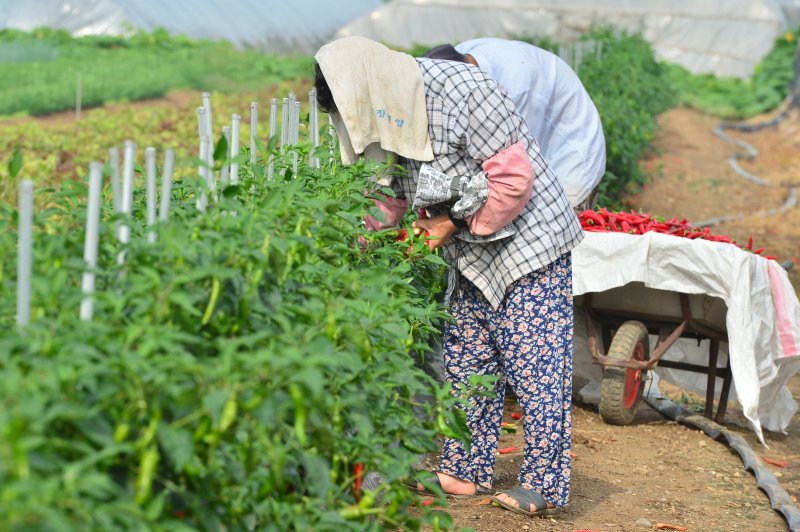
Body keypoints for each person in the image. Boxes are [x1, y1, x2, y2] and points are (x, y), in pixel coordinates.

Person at [314, 36, 582, 517]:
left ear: (368, 85)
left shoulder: (463, 90)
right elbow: (393, 194)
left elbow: (513, 180)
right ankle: (464, 471)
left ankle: (544, 483)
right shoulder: (387, 115)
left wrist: (447, 222)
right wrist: (356, 242)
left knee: (534, 362)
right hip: (468, 252)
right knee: (468, 358)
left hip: (527, 240)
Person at [424, 38, 606, 211]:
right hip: (538, 124)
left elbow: (514, 169)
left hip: (569, 152)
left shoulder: (515, 90)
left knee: (556, 229)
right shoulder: (456, 61)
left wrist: (455, 214)